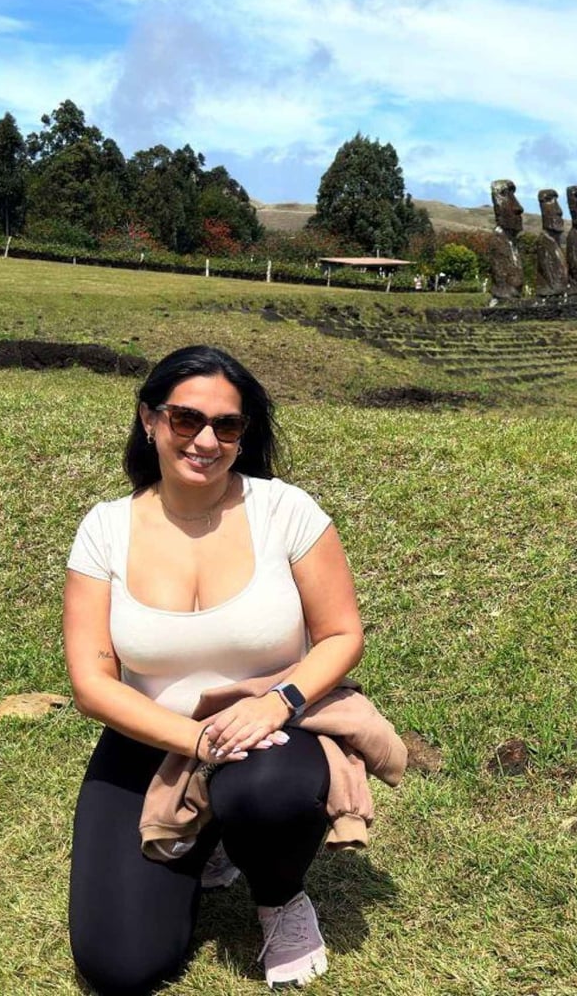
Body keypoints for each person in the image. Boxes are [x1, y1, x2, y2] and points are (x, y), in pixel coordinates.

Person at [63, 345, 365, 993]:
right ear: (149, 418)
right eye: (186, 419)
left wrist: (278, 701)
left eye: (227, 425)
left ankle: (278, 895)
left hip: (272, 730)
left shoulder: (286, 511)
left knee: (266, 791)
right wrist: (199, 741)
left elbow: (342, 634)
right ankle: (211, 836)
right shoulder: (105, 528)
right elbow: (91, 683)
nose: (206, 440)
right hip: (152, 737)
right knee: (120, 966)